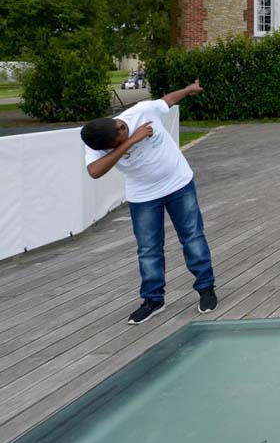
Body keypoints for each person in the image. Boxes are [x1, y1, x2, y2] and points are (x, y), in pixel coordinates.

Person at [80, 79, 217, 325]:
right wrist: (132, 141)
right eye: (117, 142)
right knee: (148, 249)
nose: (123, 131)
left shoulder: (141, 112)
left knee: (192, 236)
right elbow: (94, 171)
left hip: (178, 183)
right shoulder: (98, 141)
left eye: (122, 131)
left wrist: (189, 89)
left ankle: (206, 289)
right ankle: (153, 300)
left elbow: (168, 100)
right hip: (143, 196)